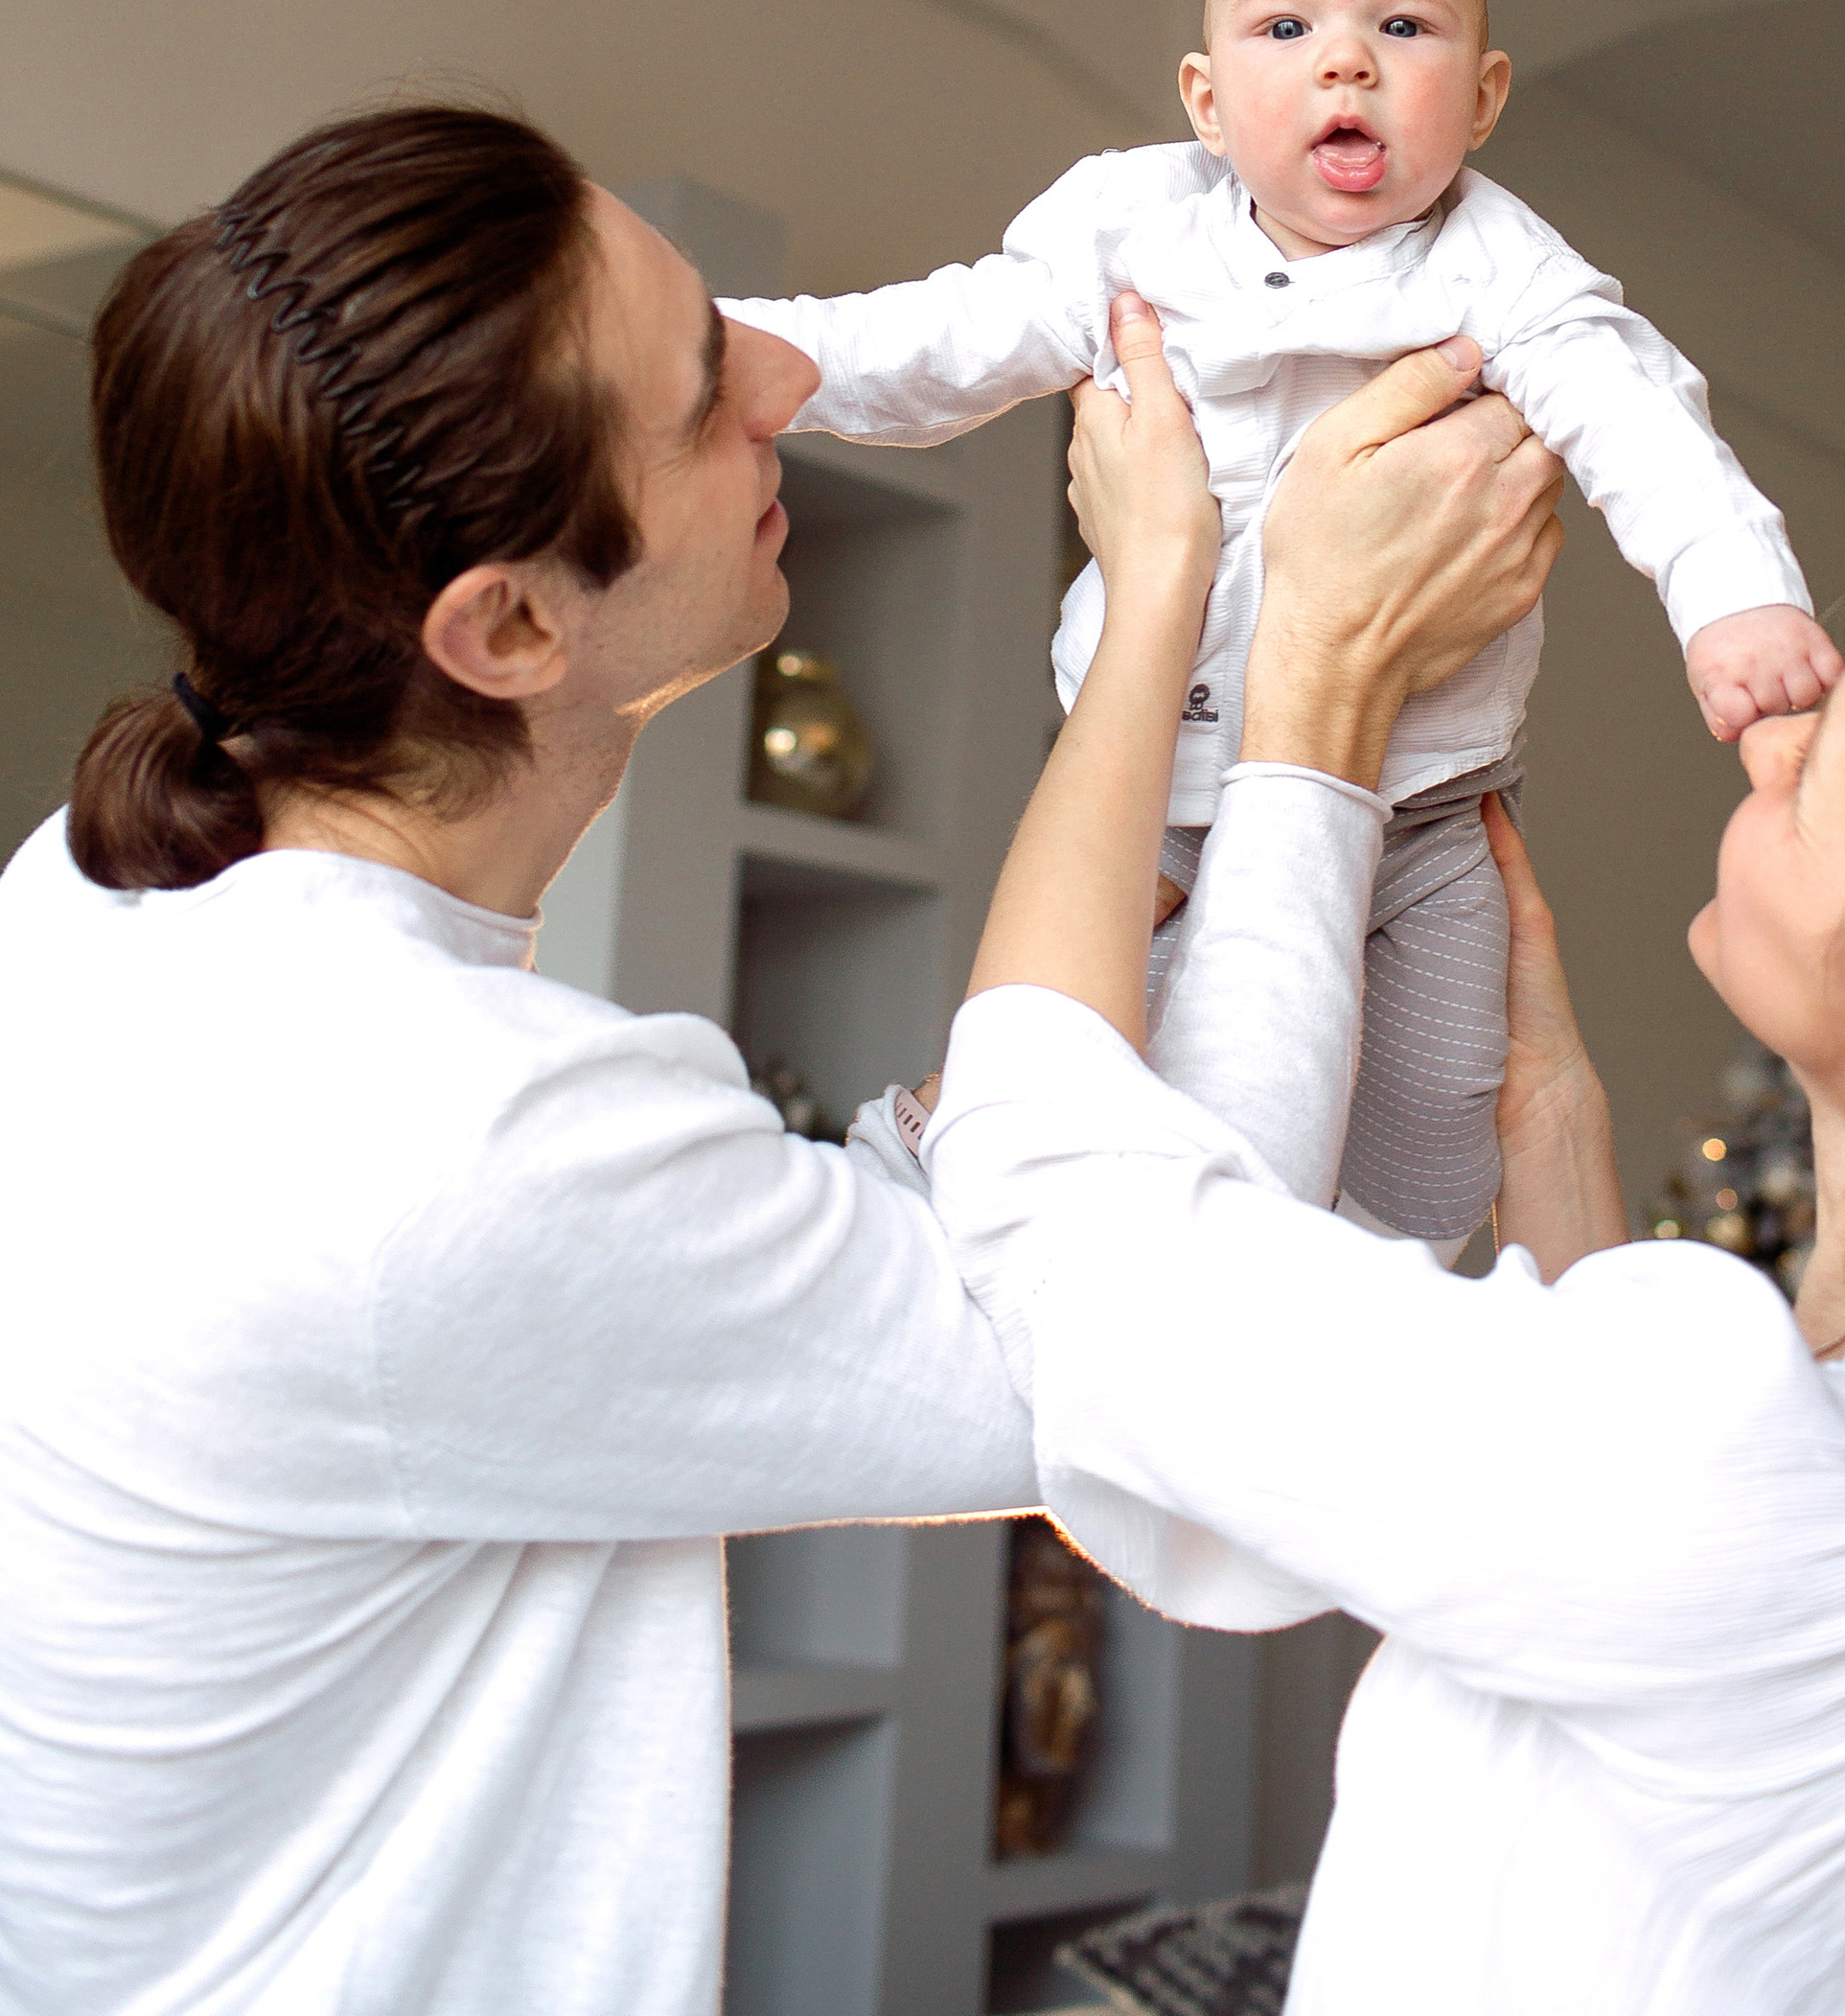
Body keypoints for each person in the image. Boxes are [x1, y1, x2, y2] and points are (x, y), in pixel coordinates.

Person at [0, 104, 1557, 2016]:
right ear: (504, 626)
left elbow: (885, 1242)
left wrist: (968, 1105)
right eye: (701, 390)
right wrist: (1284, 667)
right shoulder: (433, 1132)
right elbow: (1166, 1346)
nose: (785, 373)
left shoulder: (98, 905)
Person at [926, 300, 1845, 2016]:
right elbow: (1673, 1655)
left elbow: (1070, 1238)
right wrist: (1551, 1124)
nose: (1769, 742)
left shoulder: (1735, 1473)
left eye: (1824, 775)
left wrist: (1241, 648)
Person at [730, 0, 1838, 1243]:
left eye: (1403, 25)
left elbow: (1646, 428)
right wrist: (759, 354)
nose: (1346, 64)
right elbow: (945, 336)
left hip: (1429, 797)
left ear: (1485, 98)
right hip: (1147, 771)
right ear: (1204, 97)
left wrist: (1735, 601)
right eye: (1286, 26)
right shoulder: (1133, 232)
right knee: (1069, 1065)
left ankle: (1348, 1304)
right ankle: (995, 1215)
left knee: (1444, 1120)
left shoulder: (1501, 271)